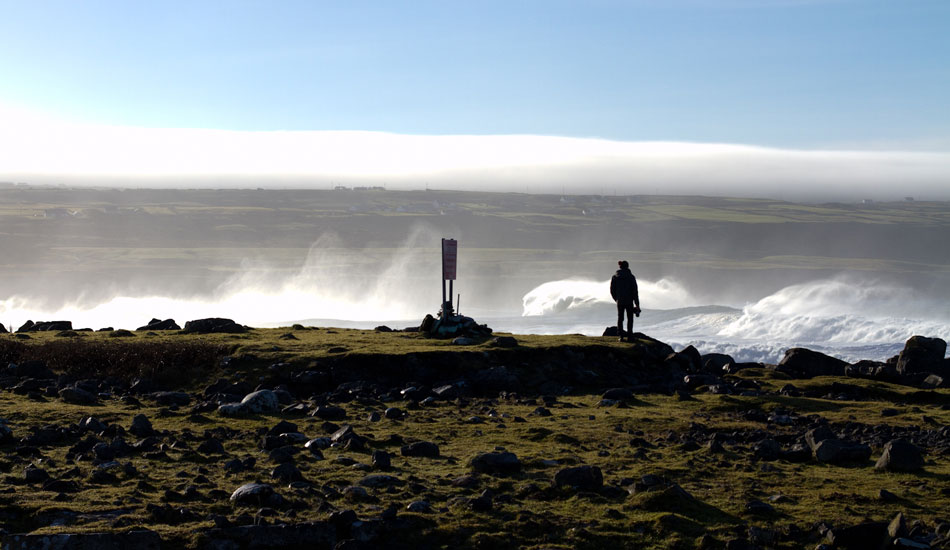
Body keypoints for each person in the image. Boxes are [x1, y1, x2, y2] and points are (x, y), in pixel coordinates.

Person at [610, 260, 640, 341]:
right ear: (627, 267)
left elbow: (612, 290)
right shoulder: (631, 277)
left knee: (620, 318)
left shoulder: (615, 277)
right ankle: (630, 336)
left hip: (620, 301)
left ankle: (621, 336)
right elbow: (635, 291)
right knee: (630, 318)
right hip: (629, 301)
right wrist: (637, 304)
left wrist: (616, 299)